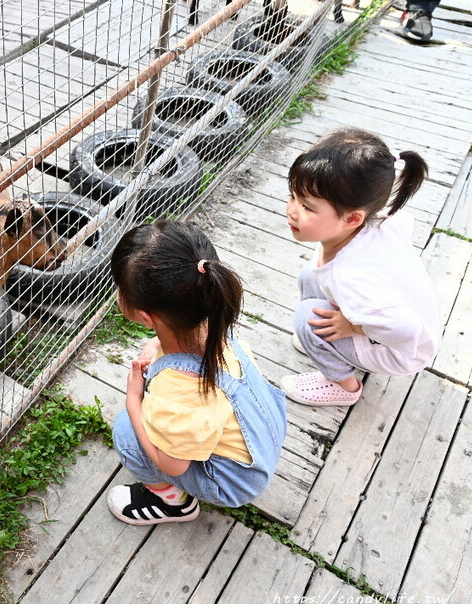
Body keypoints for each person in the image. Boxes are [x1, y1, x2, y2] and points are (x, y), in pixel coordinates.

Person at [106, 221, 287, 525]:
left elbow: (172, 465)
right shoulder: (215, 325)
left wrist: (134, 401)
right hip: (262, 436)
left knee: (127, 432)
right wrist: (156, 346)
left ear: (145, 317)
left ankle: (174, 503)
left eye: (119, 288)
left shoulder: (179, 395)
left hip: (234, 481)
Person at [280, 128, 442, 407]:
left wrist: (354, 326)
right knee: (310, 275)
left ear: (353, 218)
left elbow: (405, 328)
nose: (292, 210)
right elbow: (406, 221)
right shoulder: (378, 220)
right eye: (293, 196)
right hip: (403, 321)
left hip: (401, 350)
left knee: (307, 320)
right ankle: (325, 344)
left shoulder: (349, 276)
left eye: (307, 207)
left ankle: (343, 385)